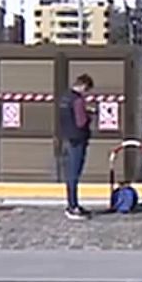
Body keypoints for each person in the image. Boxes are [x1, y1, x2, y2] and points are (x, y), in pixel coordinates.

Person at [57, 73, 94, 221]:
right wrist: (89, 115)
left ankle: (72, 204)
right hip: (78, 139)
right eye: (87, 90)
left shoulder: (65, 97)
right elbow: (80, 121)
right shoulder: (78, 100)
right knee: (74, 174)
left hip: (67, 137)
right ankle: (73, 206)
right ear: (84, 86)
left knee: (70, 173)